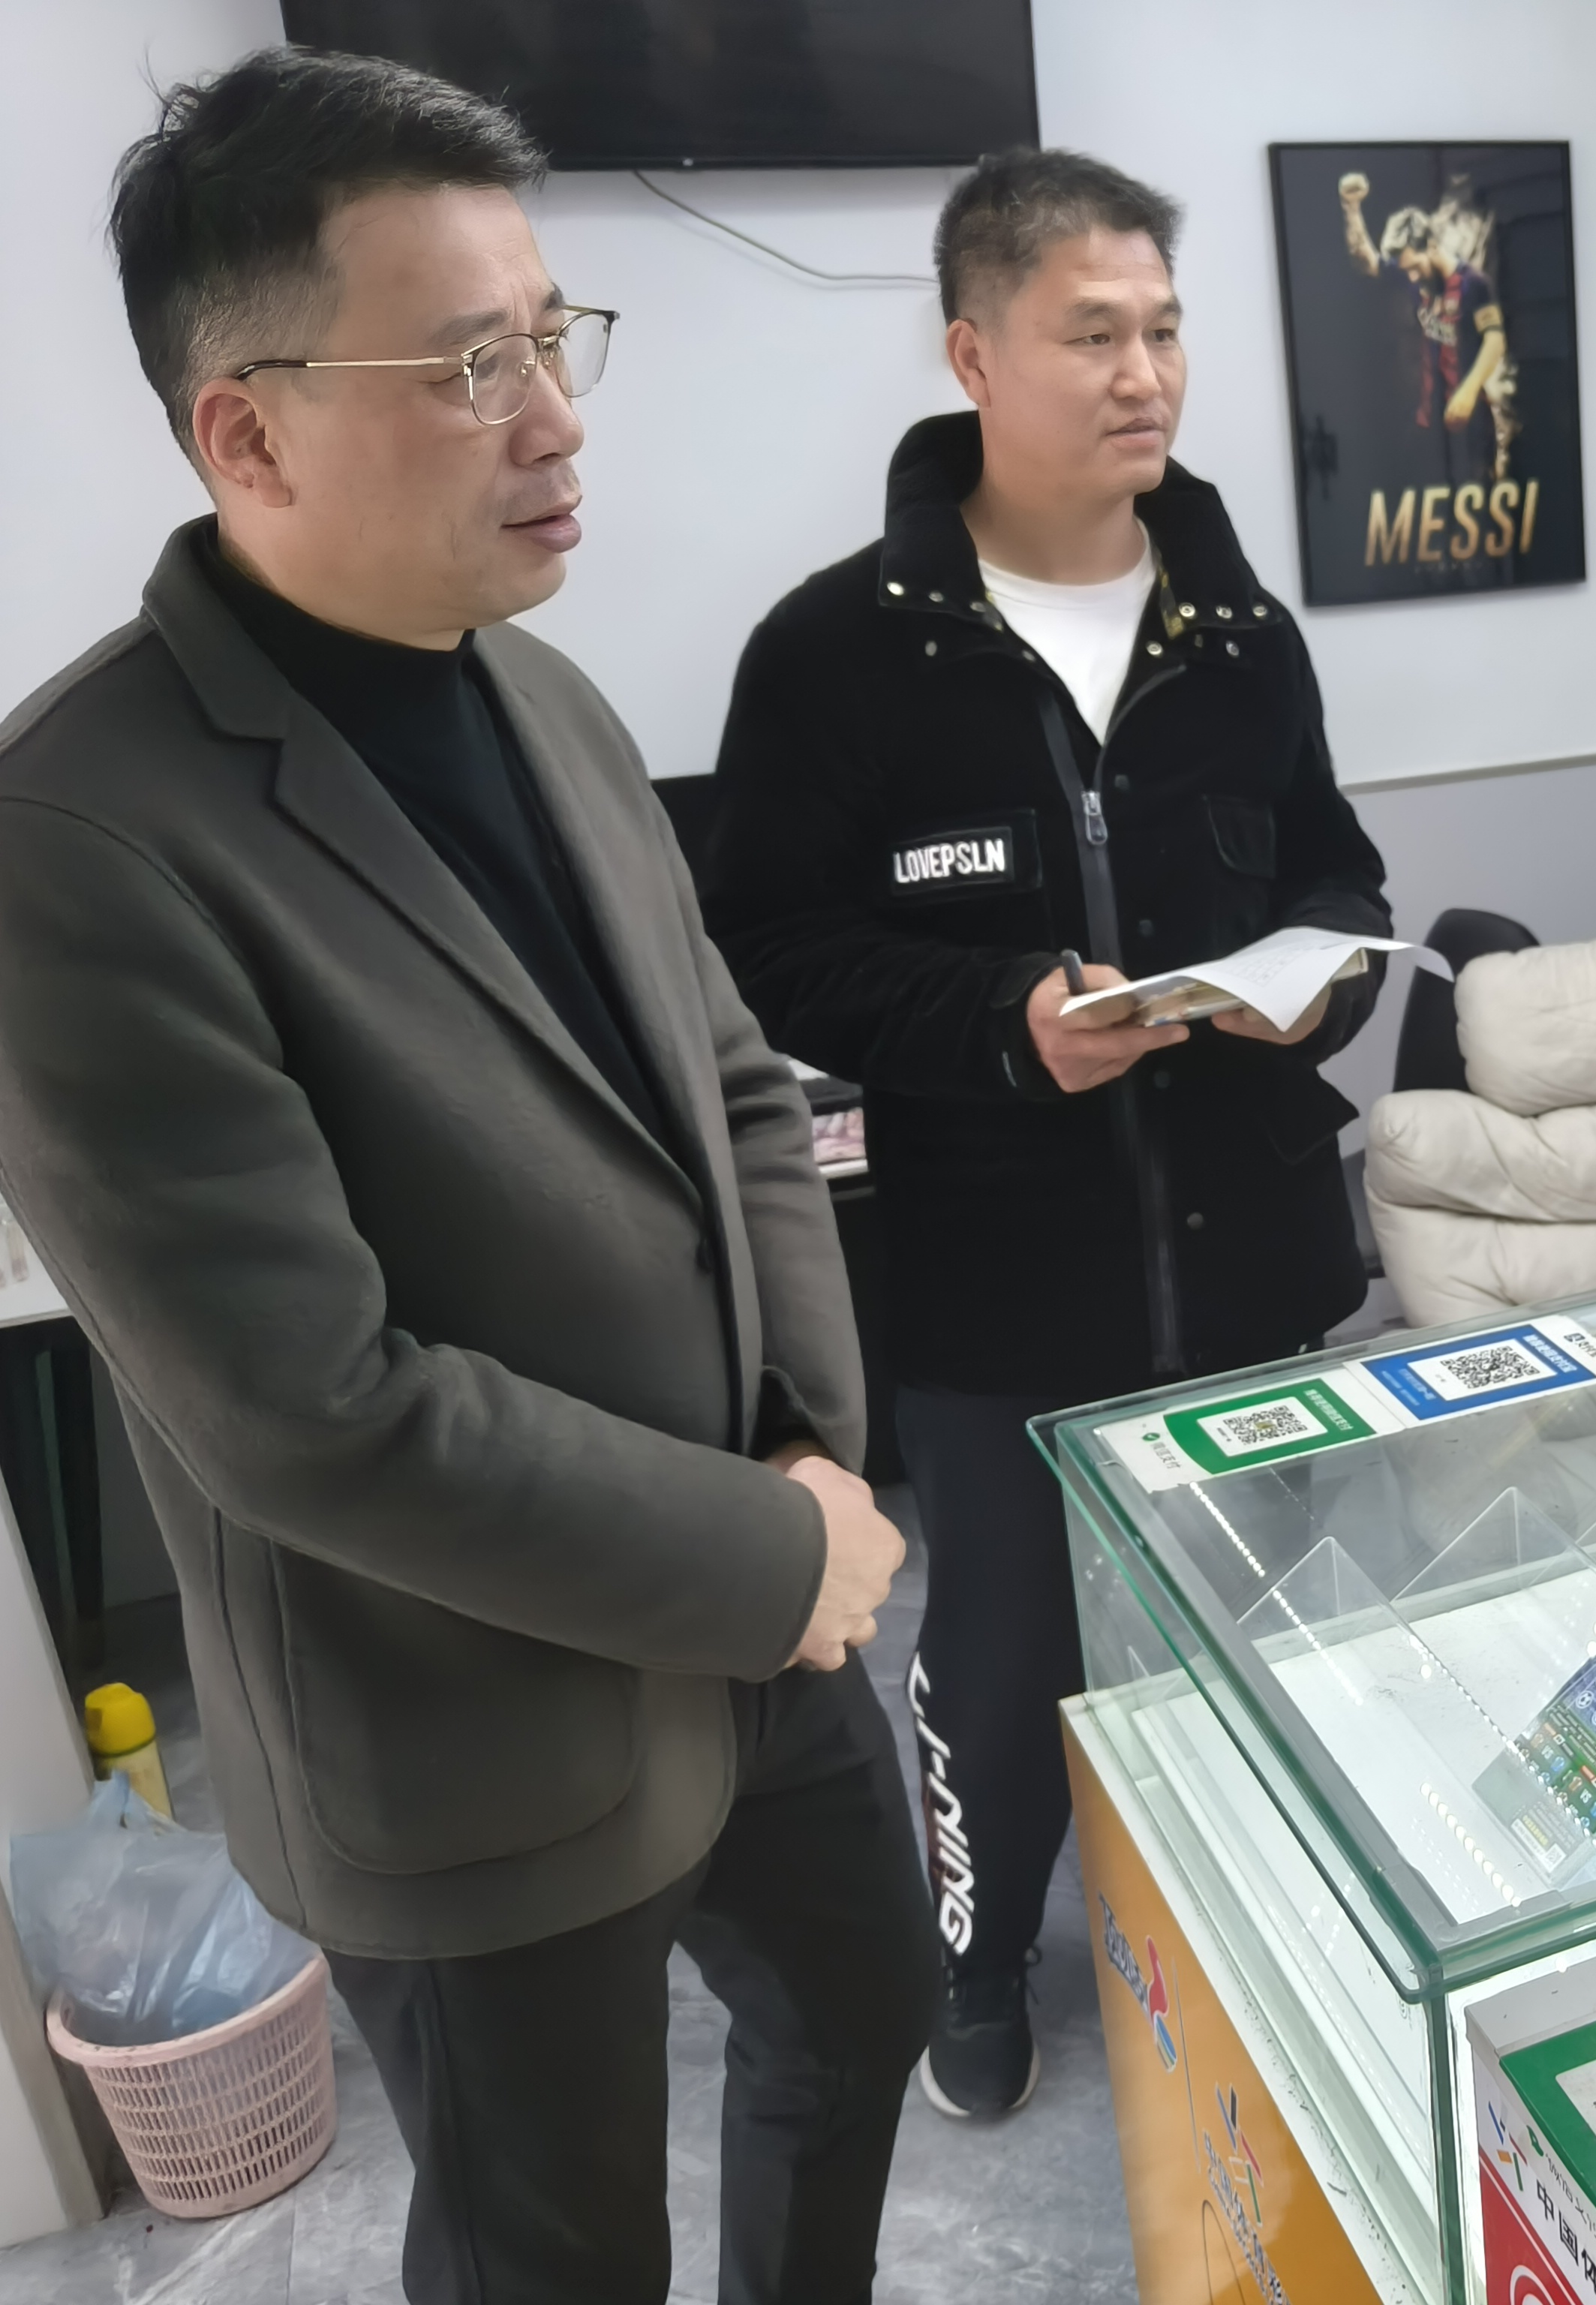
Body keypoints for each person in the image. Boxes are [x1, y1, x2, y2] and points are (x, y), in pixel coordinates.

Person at [0, 50, 934, 2301]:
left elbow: (736, 1087)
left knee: (864, 2013)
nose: (556, 418)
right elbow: (308, 1406)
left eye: (550, 338)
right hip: (468, 1721)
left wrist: (810, 1452)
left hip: (761, 1600)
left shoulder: (545, 695)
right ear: (248, 433)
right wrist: (764, 1547)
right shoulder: (79, 837)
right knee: (555, 2249)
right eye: (466, 365)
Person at [702, 149, 1392, 2120]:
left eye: (1163, 329)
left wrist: (1319, 979)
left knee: (1257, 1640)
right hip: (996, 1295)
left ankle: (1246, 1926)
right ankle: (985, 1955)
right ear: (974, 356)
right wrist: (999, 1028)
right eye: (1094, 334)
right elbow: (770, 951)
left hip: (1249, 1267)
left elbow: (1334, 871)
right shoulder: (838, 655)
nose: (1144, 374)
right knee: (999, 1670)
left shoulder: (1241, 632)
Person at [1339, 168, 1518, 479]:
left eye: (1415, 267)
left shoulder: (1474, 284)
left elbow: (1495, 341)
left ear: (1432, 246)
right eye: (1405, 270)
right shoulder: (1413, 275)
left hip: (1472, 425)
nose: (1410, 277)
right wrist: (1351, 209)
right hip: (1429, 429)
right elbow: (1366, 261)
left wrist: (1467, 392)